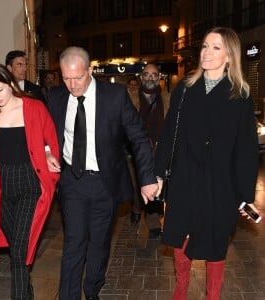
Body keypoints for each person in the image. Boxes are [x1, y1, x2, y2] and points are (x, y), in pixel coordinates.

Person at [154, 27, 260, 300]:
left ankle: (212, 296)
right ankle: (181, 291)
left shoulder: (240, 95)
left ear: (229, 56)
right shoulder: (185, 89)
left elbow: (246, 149)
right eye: (204, 46)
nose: (206, 52)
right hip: (185, 178)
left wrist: (245, 195)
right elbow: (168, 135)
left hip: (219, 184)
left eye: (215, 47)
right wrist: (159, 173)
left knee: (215, 242)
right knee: (179, 238)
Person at [46, 46, 158, 300]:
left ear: (90, 71)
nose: (72, 85)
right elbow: (45, 132)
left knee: (99, 242)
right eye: (66, 78)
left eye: (78, 77)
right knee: (73, 242)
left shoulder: (115, 96)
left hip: (104, 182)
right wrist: (46, 151)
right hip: (72, 182)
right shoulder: (55, 96)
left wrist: (147, 178)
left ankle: (92, 288)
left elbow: (139, 137)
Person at [0, 64, 60, 300]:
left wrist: (47, 153)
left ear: (11, 84)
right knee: (17, 247)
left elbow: (49, 138)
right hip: (0, 187)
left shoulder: (33, 107)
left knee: (21, 249)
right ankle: (26, 287)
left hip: (28, 183)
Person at [129, 64, 170, 238]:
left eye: (154, 75)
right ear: (141, 77)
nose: (150, 78)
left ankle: (153, 221)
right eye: (147, 74)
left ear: (159, 77)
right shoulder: (130, 98)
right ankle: (137, 206)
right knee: (136, 184)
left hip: (159, 151)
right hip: (135, 151)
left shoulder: (167, 98)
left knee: (155, 184)